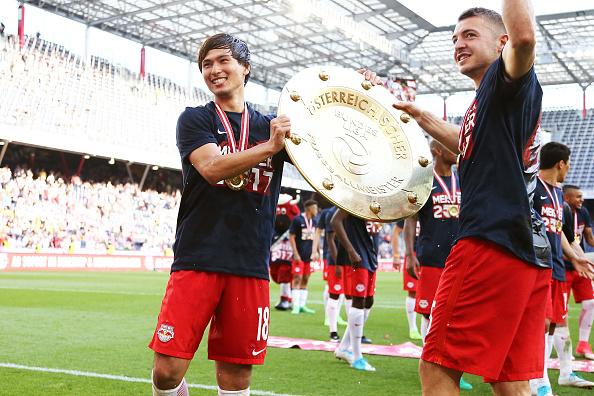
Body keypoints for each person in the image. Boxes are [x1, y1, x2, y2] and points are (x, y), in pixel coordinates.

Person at [390, 4, 594, 394]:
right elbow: (469, 145)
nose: (458, 44)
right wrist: (422, 117)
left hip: (490, 243)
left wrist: (517, 38)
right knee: (512, 382)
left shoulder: (505, 81)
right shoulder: (489, 103)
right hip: (528, 253)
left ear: (501, 44)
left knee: (438, 367)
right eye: (454, 38)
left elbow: (525, 38)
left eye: (469, 35)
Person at [148, 33, 292, 396]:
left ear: (246, 68)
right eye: (206, 64)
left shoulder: (271, 126)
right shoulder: (195, 119)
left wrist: (361, 90)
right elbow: (211, 168)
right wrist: (270, 148)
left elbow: (333, 144)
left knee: (236, 379)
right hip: (198, 257)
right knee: (166, 371)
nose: (214, 69)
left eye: (223, 61)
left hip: (249, 264)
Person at [404, 140, 473, 391]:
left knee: (458, 314)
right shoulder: (423, 181)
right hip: (431, 255)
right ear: (436, 150)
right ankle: (431, 367)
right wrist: (410, 255)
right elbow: (411, 221)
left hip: (460, 256)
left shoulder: (462, 179)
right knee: (429, 313)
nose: (456, 151)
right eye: (450, 147)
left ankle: (454, 368)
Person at [530, 142, 594, 395]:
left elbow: (561, 234)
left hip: (556, 266)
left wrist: (576, 258)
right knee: (542, 323)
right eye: (568, 164)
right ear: (561, 164)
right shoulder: (532, 189)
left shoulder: (559, 196)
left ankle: (543, 378)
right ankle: (538, 382)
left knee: (554, 324)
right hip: (537, 266)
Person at [331, 208, 378, 372]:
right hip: (357, 254)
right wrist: (350, 250)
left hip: (370, 253)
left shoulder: (377, 197)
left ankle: (344, 347)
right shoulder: (355, 196)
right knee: (358, 300)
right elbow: (335, 221)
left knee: (369, 301)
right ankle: (357, 357)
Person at [563, 184, 594, 359]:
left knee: (590, 303)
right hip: (564, 266)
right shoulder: (562, 211)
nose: (581, 199)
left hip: (581, 264)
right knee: (562, 309)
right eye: (578, 197)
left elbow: (588, 238)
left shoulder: (583, 213)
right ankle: (565, 349)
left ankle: (583, 344)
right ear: (567, 198)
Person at [313, 205, 348, 329]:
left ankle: (336, 315)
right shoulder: (327, 212)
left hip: (344, 257)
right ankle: (328, 316)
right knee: (330, 286)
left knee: (342, 288)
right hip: (331, 255)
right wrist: (314, 250)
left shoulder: (347, 211)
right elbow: (318, 231)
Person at [392, 221, 421, 340]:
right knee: (412, 291)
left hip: (429, 252)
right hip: (413, 254)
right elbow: (396, 232)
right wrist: (396, 255)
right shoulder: (411, 209)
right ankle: (413, 327)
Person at [289, 199, 319, 315]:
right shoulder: (297, 220)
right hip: (299, 255)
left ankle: (302, 305)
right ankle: (295, 306)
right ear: (309, 209)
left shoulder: (315, 221)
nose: (316, 210)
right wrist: (295, 253)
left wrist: (317, 252)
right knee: (297, 278)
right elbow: (291, 236)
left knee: (306, 279)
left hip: (309, 256)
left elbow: (316, 237)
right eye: (315, 208)